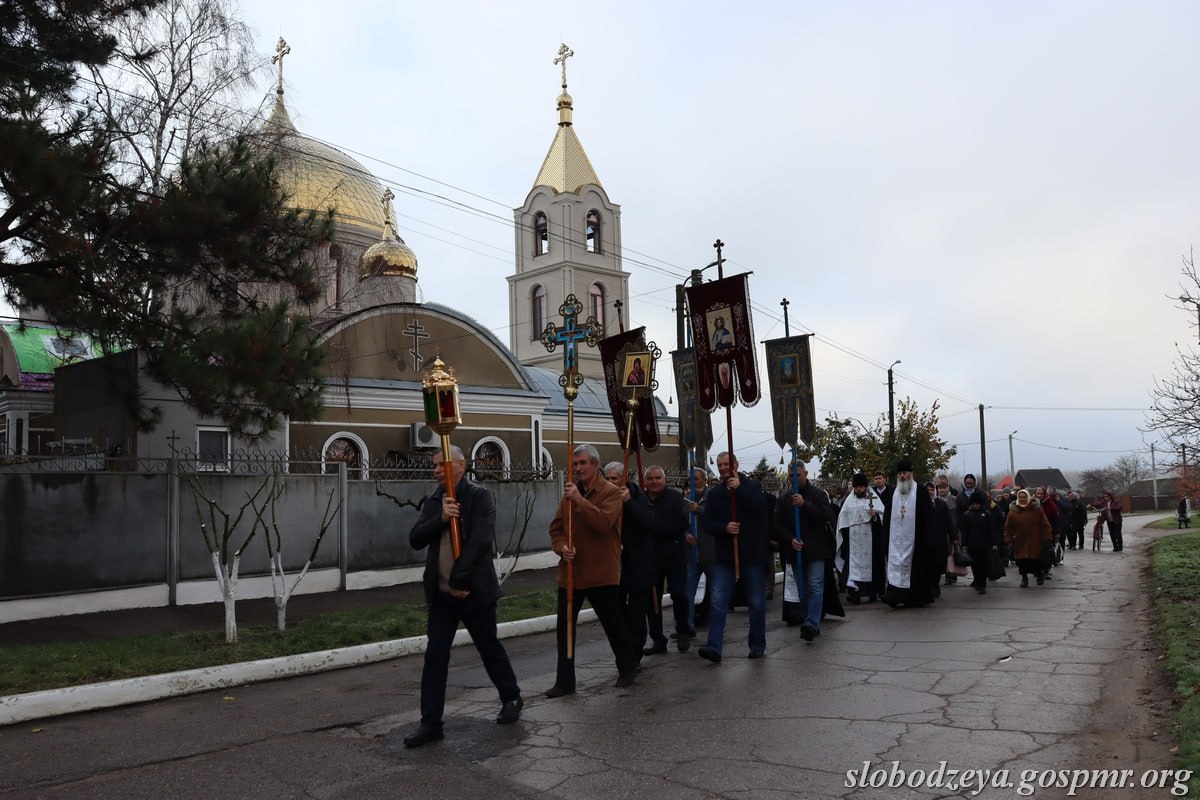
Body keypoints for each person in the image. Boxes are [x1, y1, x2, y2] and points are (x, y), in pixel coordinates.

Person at [403, 446, 522, 748]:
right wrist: (441, 518)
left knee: (488, 647)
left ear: (460, 465)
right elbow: (416, 539)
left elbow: (480, 541)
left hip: (473, 592)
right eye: (434, 466)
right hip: (442, 596)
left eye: (441, 465)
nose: (436, 470)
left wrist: (459, 580)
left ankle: (511, 697)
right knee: (435, 657)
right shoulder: (435, 501)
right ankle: (431, 723)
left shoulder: (479, 497)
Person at [544, 444, 639, 698]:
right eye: (575, 464)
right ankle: (565, 681)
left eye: (583, 463)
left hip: (600, 572)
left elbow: (603, 524)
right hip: (571, 573)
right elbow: (555, 530)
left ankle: (628, 667)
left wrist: (580, 501)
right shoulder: (569, 495)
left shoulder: (611, 493)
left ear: (596, 465)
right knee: (565, 628)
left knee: (613, 624)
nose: (578, 468)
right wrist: (562, 547)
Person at [698, 452, 769, 662]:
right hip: (725, 557)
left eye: (726, 464)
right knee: (718, 601)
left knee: (756, 602)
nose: (722, 468)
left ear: (736, 465)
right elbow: (707, 522)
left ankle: (757, 644)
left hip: (751, 554)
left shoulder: (752, 486)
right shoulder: (716, 493)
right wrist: (725, 528)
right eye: (719, 465)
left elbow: (759, 509)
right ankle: (714, 647)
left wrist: (740, 489)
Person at [771, 461, 836, 641]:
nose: (794, 478)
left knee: (815, 586)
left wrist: (804, 504)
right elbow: (777, 523)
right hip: (795, 551)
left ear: (805, 474)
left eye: (797, 475)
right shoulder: (784, 499)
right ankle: (809, 620)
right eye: (791, 475)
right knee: (802, 589)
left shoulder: (818, 495)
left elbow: (825, 516)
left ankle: (812, 623)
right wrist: (790, 539)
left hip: (815, 550)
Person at [603, 462, 655, 669]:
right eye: (606, 479)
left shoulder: (640, 498)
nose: (610, 483)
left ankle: (635, 654)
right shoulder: (604, 499)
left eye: (614, 479)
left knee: (636, 614)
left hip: (638, 565)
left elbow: (649, 524)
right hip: (614, 565)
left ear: (624, 479)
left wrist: (629, 502)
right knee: (617, 614)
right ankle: (623, 655)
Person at [641, 465, 692, 654]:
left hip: (674, 556)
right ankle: (658, 639)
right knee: (652, 601)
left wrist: (656, 527)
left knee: (679, 594)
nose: (654, 481)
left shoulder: (676, 498)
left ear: (665, 480)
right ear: (645, 482)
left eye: (657, 478)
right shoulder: (642, 500)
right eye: (650, 479)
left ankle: (683, 631)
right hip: (650, 558)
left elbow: (682, 522)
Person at [882, 458, 941, 608]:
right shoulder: (893, 492)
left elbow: (928, 517)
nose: (902, 476)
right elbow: (887, 517)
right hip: (896, 541)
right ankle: (894, 597)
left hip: (916, 541)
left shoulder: (920, 491)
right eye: (900, 473)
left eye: (905, 473)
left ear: (911, 474)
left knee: (915, 571)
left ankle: (915, 598)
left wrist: (928, 539)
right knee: (896, 567)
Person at [836, 473, 885, 604]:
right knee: (853, 567)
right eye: (856, 487)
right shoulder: (850, 500)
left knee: (873, 566)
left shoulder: (871, 496)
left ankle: (872, 593)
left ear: (866, 487)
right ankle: (855, 594)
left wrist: (875, 515)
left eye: (861, 487)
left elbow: (882, 514)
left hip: (870, 539)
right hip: (854, 542)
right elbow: (843, 517)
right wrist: (845, 532)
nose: (858, 489)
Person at [1005, 488, 1054, 587]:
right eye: (1020, 497)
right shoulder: (1013, 512)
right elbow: (1008, 528)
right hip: (1020, 542)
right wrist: (1009, 540)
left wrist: (1047, 538)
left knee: (1036, 560)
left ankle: (1039, 575)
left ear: (1028, 497)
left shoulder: (1037, 510)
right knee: (1022, 561)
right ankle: (1024, 578)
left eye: (1024, 497)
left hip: (1036, 540)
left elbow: (1045, 525)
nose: (1022, 499)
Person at [958, 491, 1001, 594]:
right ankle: (977, 581)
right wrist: (964, 544)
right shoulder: (967, 515)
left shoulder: (987, 514)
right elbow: (964, 531)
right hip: (972, 545)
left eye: (977, 504)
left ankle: (982, 585)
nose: (975, 506)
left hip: (985, 545)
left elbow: (992, 530)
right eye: (973, 504)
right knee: (975, 566)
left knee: (983, 565)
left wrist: (994, 543)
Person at [685, 467, 709, 633]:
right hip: (692, 554)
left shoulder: (712, 497)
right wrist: (685, 533)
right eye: (691, 479)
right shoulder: (685, 500)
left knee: (715, 591)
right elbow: (680, 520)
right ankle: (688, 625)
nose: (693, 482)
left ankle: (714, 623)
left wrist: (699, 510)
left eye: (697, 479)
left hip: (710, 552)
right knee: (688, 592)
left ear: (704, 480)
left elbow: (716, 517)